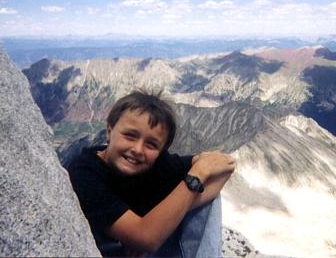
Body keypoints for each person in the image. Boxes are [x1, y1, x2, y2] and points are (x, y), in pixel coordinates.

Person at [68, 90, 235, 257]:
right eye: (130, 136)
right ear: (109, 131)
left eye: (151, 144)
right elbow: (147, 239)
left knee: (201, 190)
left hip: (145, 245)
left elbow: (224, 167)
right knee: (194, 183)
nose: (138, 149)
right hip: (98, 250)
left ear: (161, 150)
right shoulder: (84, 172)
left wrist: (155, 222)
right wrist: (144, 231)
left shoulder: (157, 163)